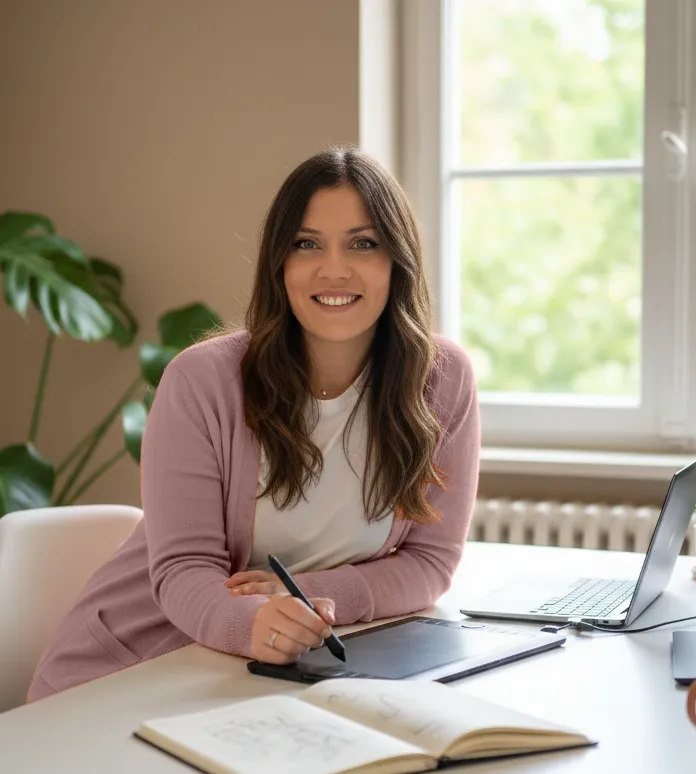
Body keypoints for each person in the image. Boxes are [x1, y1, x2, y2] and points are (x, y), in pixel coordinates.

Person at [27, 147, 480, 701]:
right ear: (278, 262)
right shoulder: (202, 381)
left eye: (364, 244)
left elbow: (429, 563)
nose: (333, 269)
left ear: (398, 262)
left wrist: (306, 600)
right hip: (128, 675)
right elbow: (185, 569)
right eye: (306, 243)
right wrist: (254, 622)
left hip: (275, 677)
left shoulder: (441, 379)